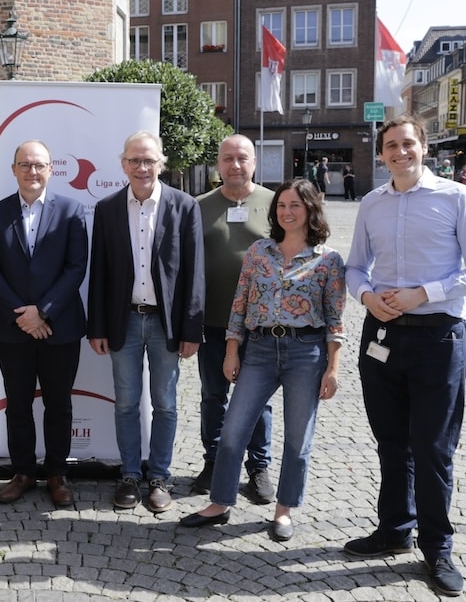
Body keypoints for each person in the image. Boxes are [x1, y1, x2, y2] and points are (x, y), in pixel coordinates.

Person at [343, 116, 466, 597]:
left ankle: (437, 546)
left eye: (407, 143)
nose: (399, 152)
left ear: (423, 147)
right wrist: (367, 298)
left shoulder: (456, 197)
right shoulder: (372, 203)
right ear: (382, 152)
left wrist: (424, 294)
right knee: (391, 440)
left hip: (439, 338)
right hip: (382, 337)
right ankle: (394, 529)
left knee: (432, 448)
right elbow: (354, 268)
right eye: (391, 145)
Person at [179, 179, 345, 542]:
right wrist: (232, 350)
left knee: (298, 439)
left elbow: (335, 320)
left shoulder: (328, 260)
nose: (287, 212)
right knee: (234, 430)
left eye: (295, 206)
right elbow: (239, 305)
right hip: (259, 351)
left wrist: (332, 368)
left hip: (306, 352)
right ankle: (219, 503)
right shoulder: (259, 252)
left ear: (311, 210)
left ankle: (284, 510)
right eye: (282, 206)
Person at [88, 130, 204, 514]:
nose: (142, 167)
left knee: (166, 404)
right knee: (125, 403)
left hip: (165, 326)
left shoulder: (184, 206)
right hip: (124, 321)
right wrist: (98, 326)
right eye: (135, 160)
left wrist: (192, 329)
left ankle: (159, 477)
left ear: (161, 164)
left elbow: (193, 272)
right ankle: (129, 476)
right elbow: (99, 272)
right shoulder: (106, 209)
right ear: (123, 164)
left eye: (149, 160)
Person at [0, 140, 88, 507]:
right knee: (18, 404)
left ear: (51, 169)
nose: (32, 171)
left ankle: (57, 473)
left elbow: (76, 267)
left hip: (60, 327)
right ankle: (23, 472)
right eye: (25, 165)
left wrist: (43, 311)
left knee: (59, 403)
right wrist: (22, 315)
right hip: (13, 329)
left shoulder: (72, 211)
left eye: (39, 165)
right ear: (14, 170)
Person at [193, 134, 275, 504]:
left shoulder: (275, 205)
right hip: (212, 320)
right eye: (227, 158)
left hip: (261, 324)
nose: (235, 165)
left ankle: (258, 467)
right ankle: (214, 461)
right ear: (218, 164)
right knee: (213, 395)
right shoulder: (198, 206)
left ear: (254, 162)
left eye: (242, 158)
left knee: (258, 398)